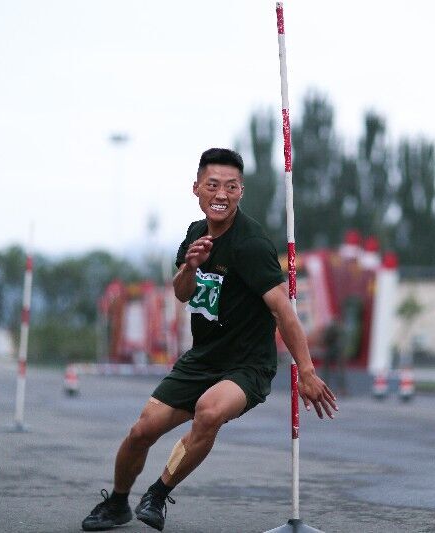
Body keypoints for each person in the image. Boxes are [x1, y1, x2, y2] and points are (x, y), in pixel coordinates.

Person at [82, 148, 338, 531]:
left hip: (247, 365)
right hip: (202, 358)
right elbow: (182, 292)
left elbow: (283, 310)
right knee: (141, 432)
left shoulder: (250, 245)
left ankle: (157, 493)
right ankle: (117, 503)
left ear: (240, 192)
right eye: (212, 185)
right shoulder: (195, 233)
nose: (221, 194)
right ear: (197, 189)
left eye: (230, 187)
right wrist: (191, 264)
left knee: (209, 411)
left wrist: (307, 370)